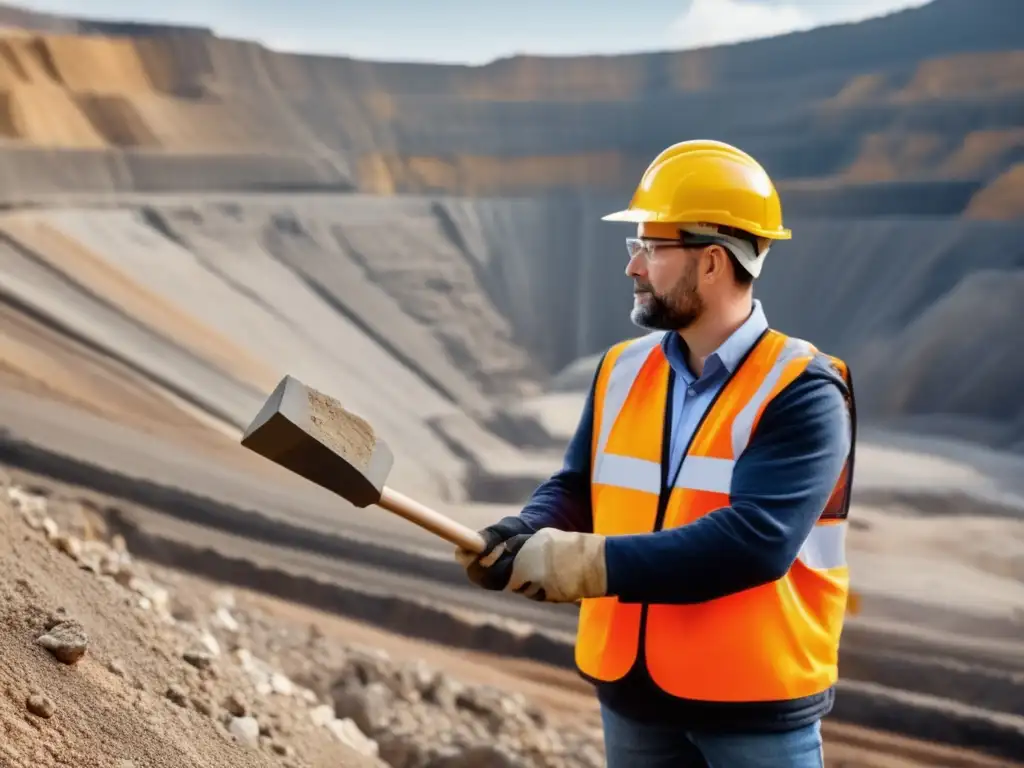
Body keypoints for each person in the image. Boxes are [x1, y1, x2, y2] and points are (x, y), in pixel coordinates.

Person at [455, 139, 856, 768]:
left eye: (651, 247)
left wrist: (582, 564)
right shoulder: (622, 369)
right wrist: (524, 531)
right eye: (634, 246)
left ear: (714, 263)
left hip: (751, 709)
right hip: (634, 700)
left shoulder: (803, 389)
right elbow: (579, 486)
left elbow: (755, 541)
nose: (633, 266)